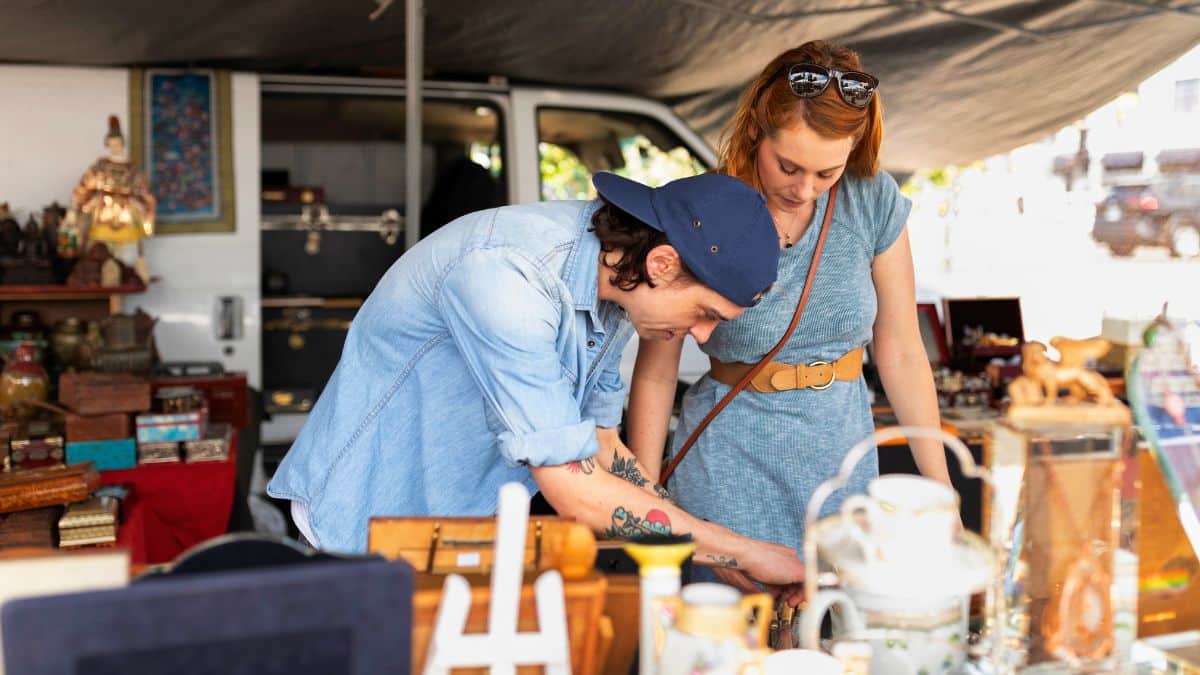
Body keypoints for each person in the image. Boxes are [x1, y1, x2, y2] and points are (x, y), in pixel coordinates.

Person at [267, 170, 808, 589]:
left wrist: (708, 546)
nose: (705, 336)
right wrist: (736, 548)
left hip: (457, 527)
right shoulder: (507, 277)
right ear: (664, 264)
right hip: (364, 524)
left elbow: (598, 444)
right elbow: (575, 490)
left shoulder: (616, 283)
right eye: (706, 312)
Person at [627, 40, 951, 591]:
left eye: (828, 172)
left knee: (836, 641)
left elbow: (899, 352)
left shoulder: (872, 199)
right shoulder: (707, 208)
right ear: (756, 130)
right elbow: (657, 371)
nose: (805, 190)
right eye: (789, 166)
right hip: (728, 467)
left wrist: (941, 494)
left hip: (842, 464)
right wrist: (643, 502)